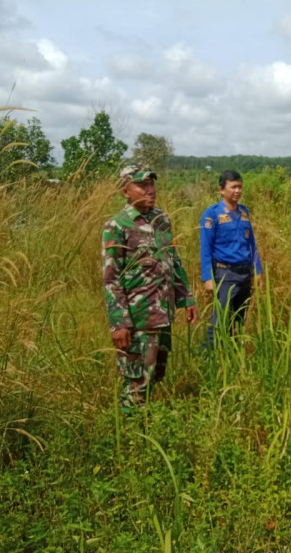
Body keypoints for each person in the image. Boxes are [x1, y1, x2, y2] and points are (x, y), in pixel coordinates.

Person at [101, 163, 198, 411]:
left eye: (151, 183)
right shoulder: (117, 226)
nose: (149, 189)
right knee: (135, 384)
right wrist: (119, 323)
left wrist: (186, 298)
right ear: (125, 190)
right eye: (141, 185)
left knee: (155, 376)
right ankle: (133, 438)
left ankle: (146, 429)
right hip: (138, 320)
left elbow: (173, 260)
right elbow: (111, 278)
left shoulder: (161, 219)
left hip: (163, 315)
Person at [199, 170, 263, 348]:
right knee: (220, 319)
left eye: (240, 187)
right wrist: (207, 278)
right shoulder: (212, 214)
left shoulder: (244, 212)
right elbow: (205, 248)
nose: (237, 191)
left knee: (239, 319)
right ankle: (208, 357)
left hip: (244, 274)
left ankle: (232, 355)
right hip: (225, 274)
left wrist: (257, 270)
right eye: (233, 187)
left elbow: (251, 243)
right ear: (222, 189)